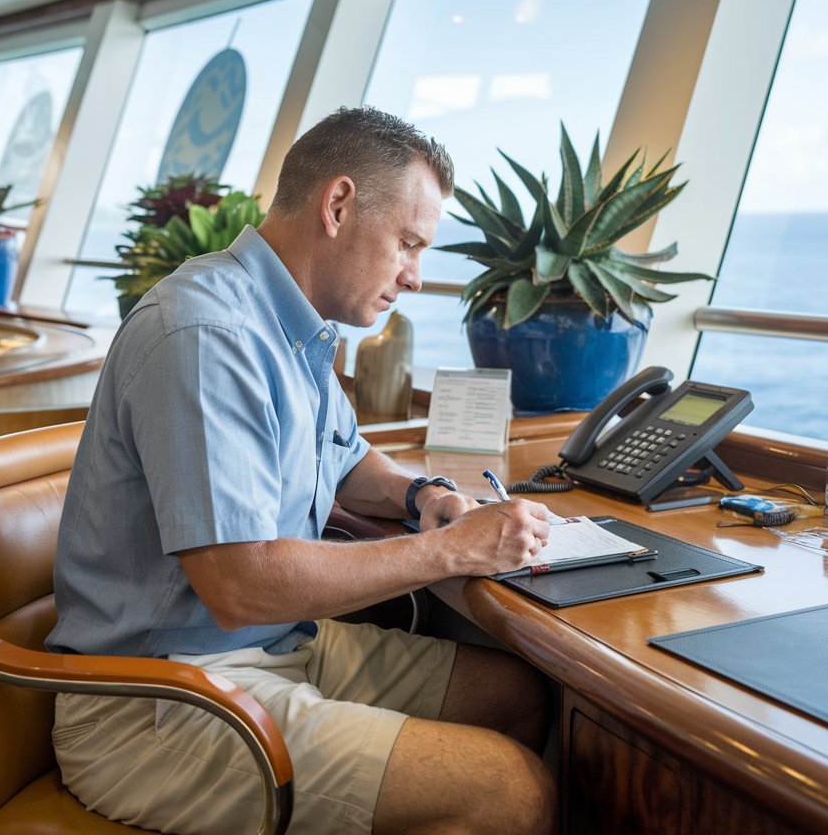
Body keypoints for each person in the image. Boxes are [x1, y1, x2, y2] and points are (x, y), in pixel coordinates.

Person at [47, 106, 557, 835]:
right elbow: (240, 583)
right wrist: (450, 549)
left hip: (273, 648)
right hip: (157, 698)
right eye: (408, 244)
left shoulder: (292, 324)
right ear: (339, 205)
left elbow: (345, 458)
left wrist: (424, 494)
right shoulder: (206, 334)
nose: (414, 277)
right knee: (511, 792)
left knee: (515, 695)